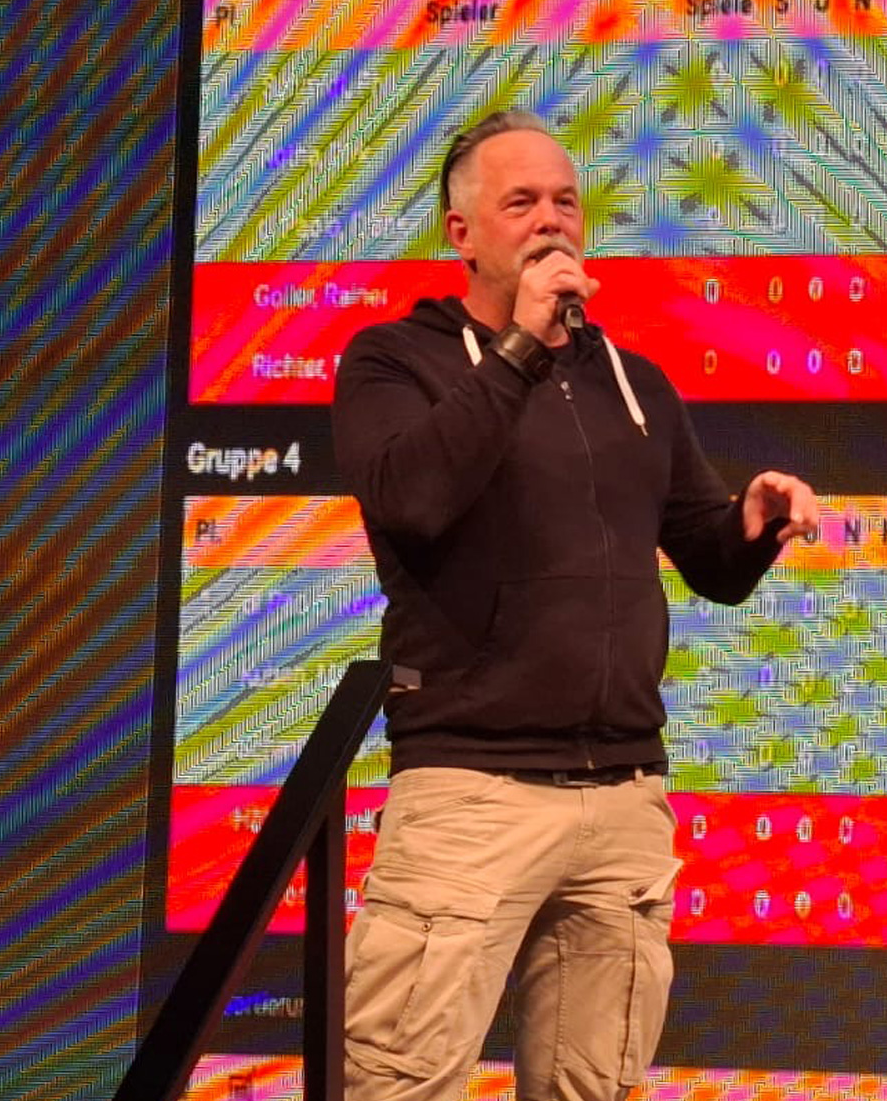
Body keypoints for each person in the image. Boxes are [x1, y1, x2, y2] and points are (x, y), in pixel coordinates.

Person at [332, 110, 819, 1101]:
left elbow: (710, 562)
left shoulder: (632, 382)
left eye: (565, 201)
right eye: (521, 203)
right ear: (462, 233)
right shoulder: (394, 360)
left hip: (623, 799)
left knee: (591, 1088)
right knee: (400, 1083)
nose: (551, 221)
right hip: (471, 791)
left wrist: (752, 522)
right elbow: (411, 499)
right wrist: (519, 347)